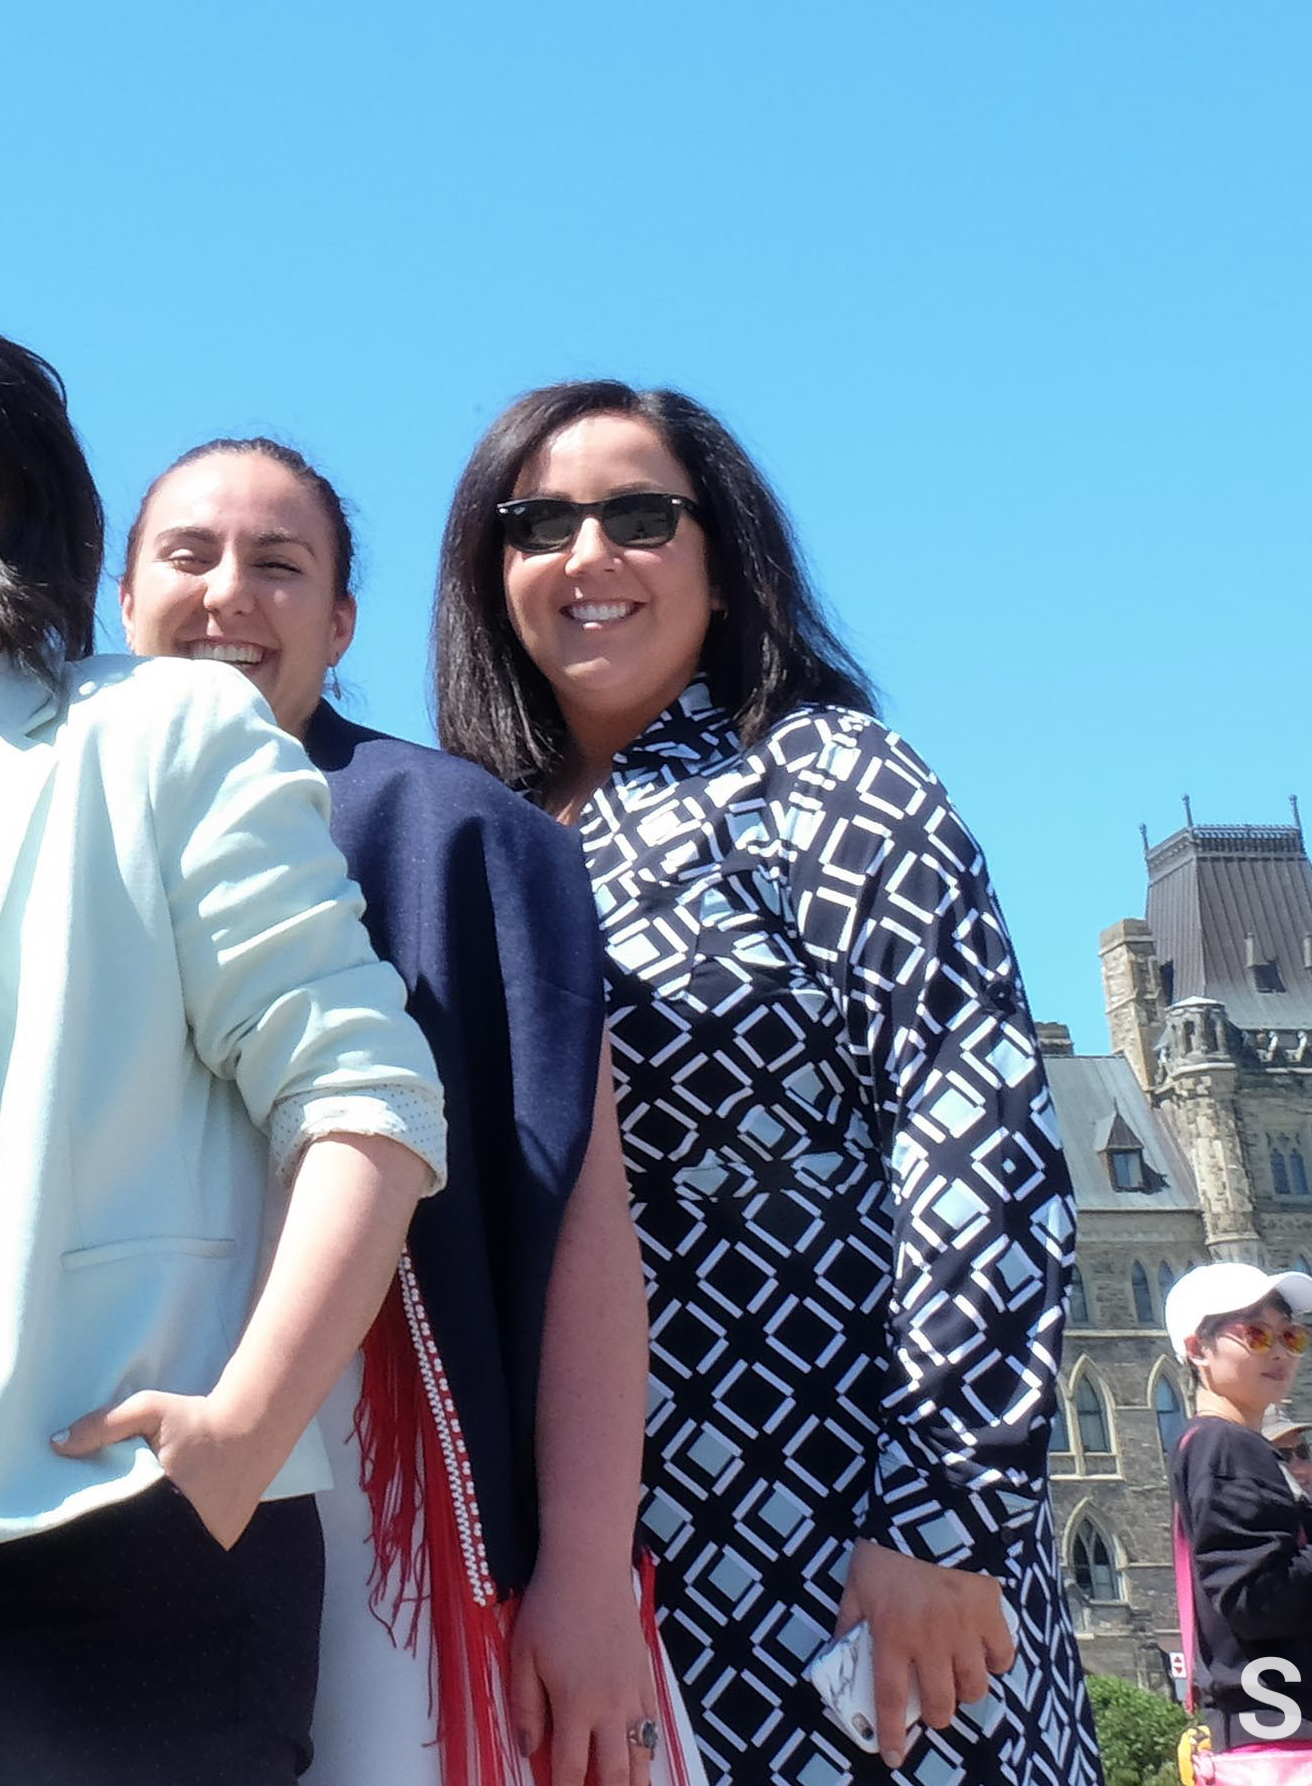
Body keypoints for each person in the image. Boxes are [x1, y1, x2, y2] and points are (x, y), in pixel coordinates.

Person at [0, 318, 445, 1785]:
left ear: (28, 511)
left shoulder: (164, 735)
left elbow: (365, 1097)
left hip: (110, 1548)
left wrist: (243, 1433)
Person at [431, 382, 1099, 1786]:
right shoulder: (473, 837)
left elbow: (972, 1121)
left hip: (845, 1526)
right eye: (538, 522)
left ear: (723, 561)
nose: (588, 554)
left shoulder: (822, 778)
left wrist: (946, 1516)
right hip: (575, 1563)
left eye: (640, 515)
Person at [119, 438, 666, 1786]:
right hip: (113, 1477)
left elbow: (583, 1224)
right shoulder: (44, 826)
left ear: (342, 621)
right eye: (187, 558)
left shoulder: (458, 833)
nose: (228, 595)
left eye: (279, 564)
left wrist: (589, 1570)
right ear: (122, 605)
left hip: (385, 1495)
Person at [1161, 1266, 1312, 1771]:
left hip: (1300, 1744)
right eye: (1255, 1333)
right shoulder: (1226, 1446)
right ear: (1197, 1348)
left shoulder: (1228, 1447)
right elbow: (1257, 1599)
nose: (1279, 1350)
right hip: (1293, 1750)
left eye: (1290, 1335)